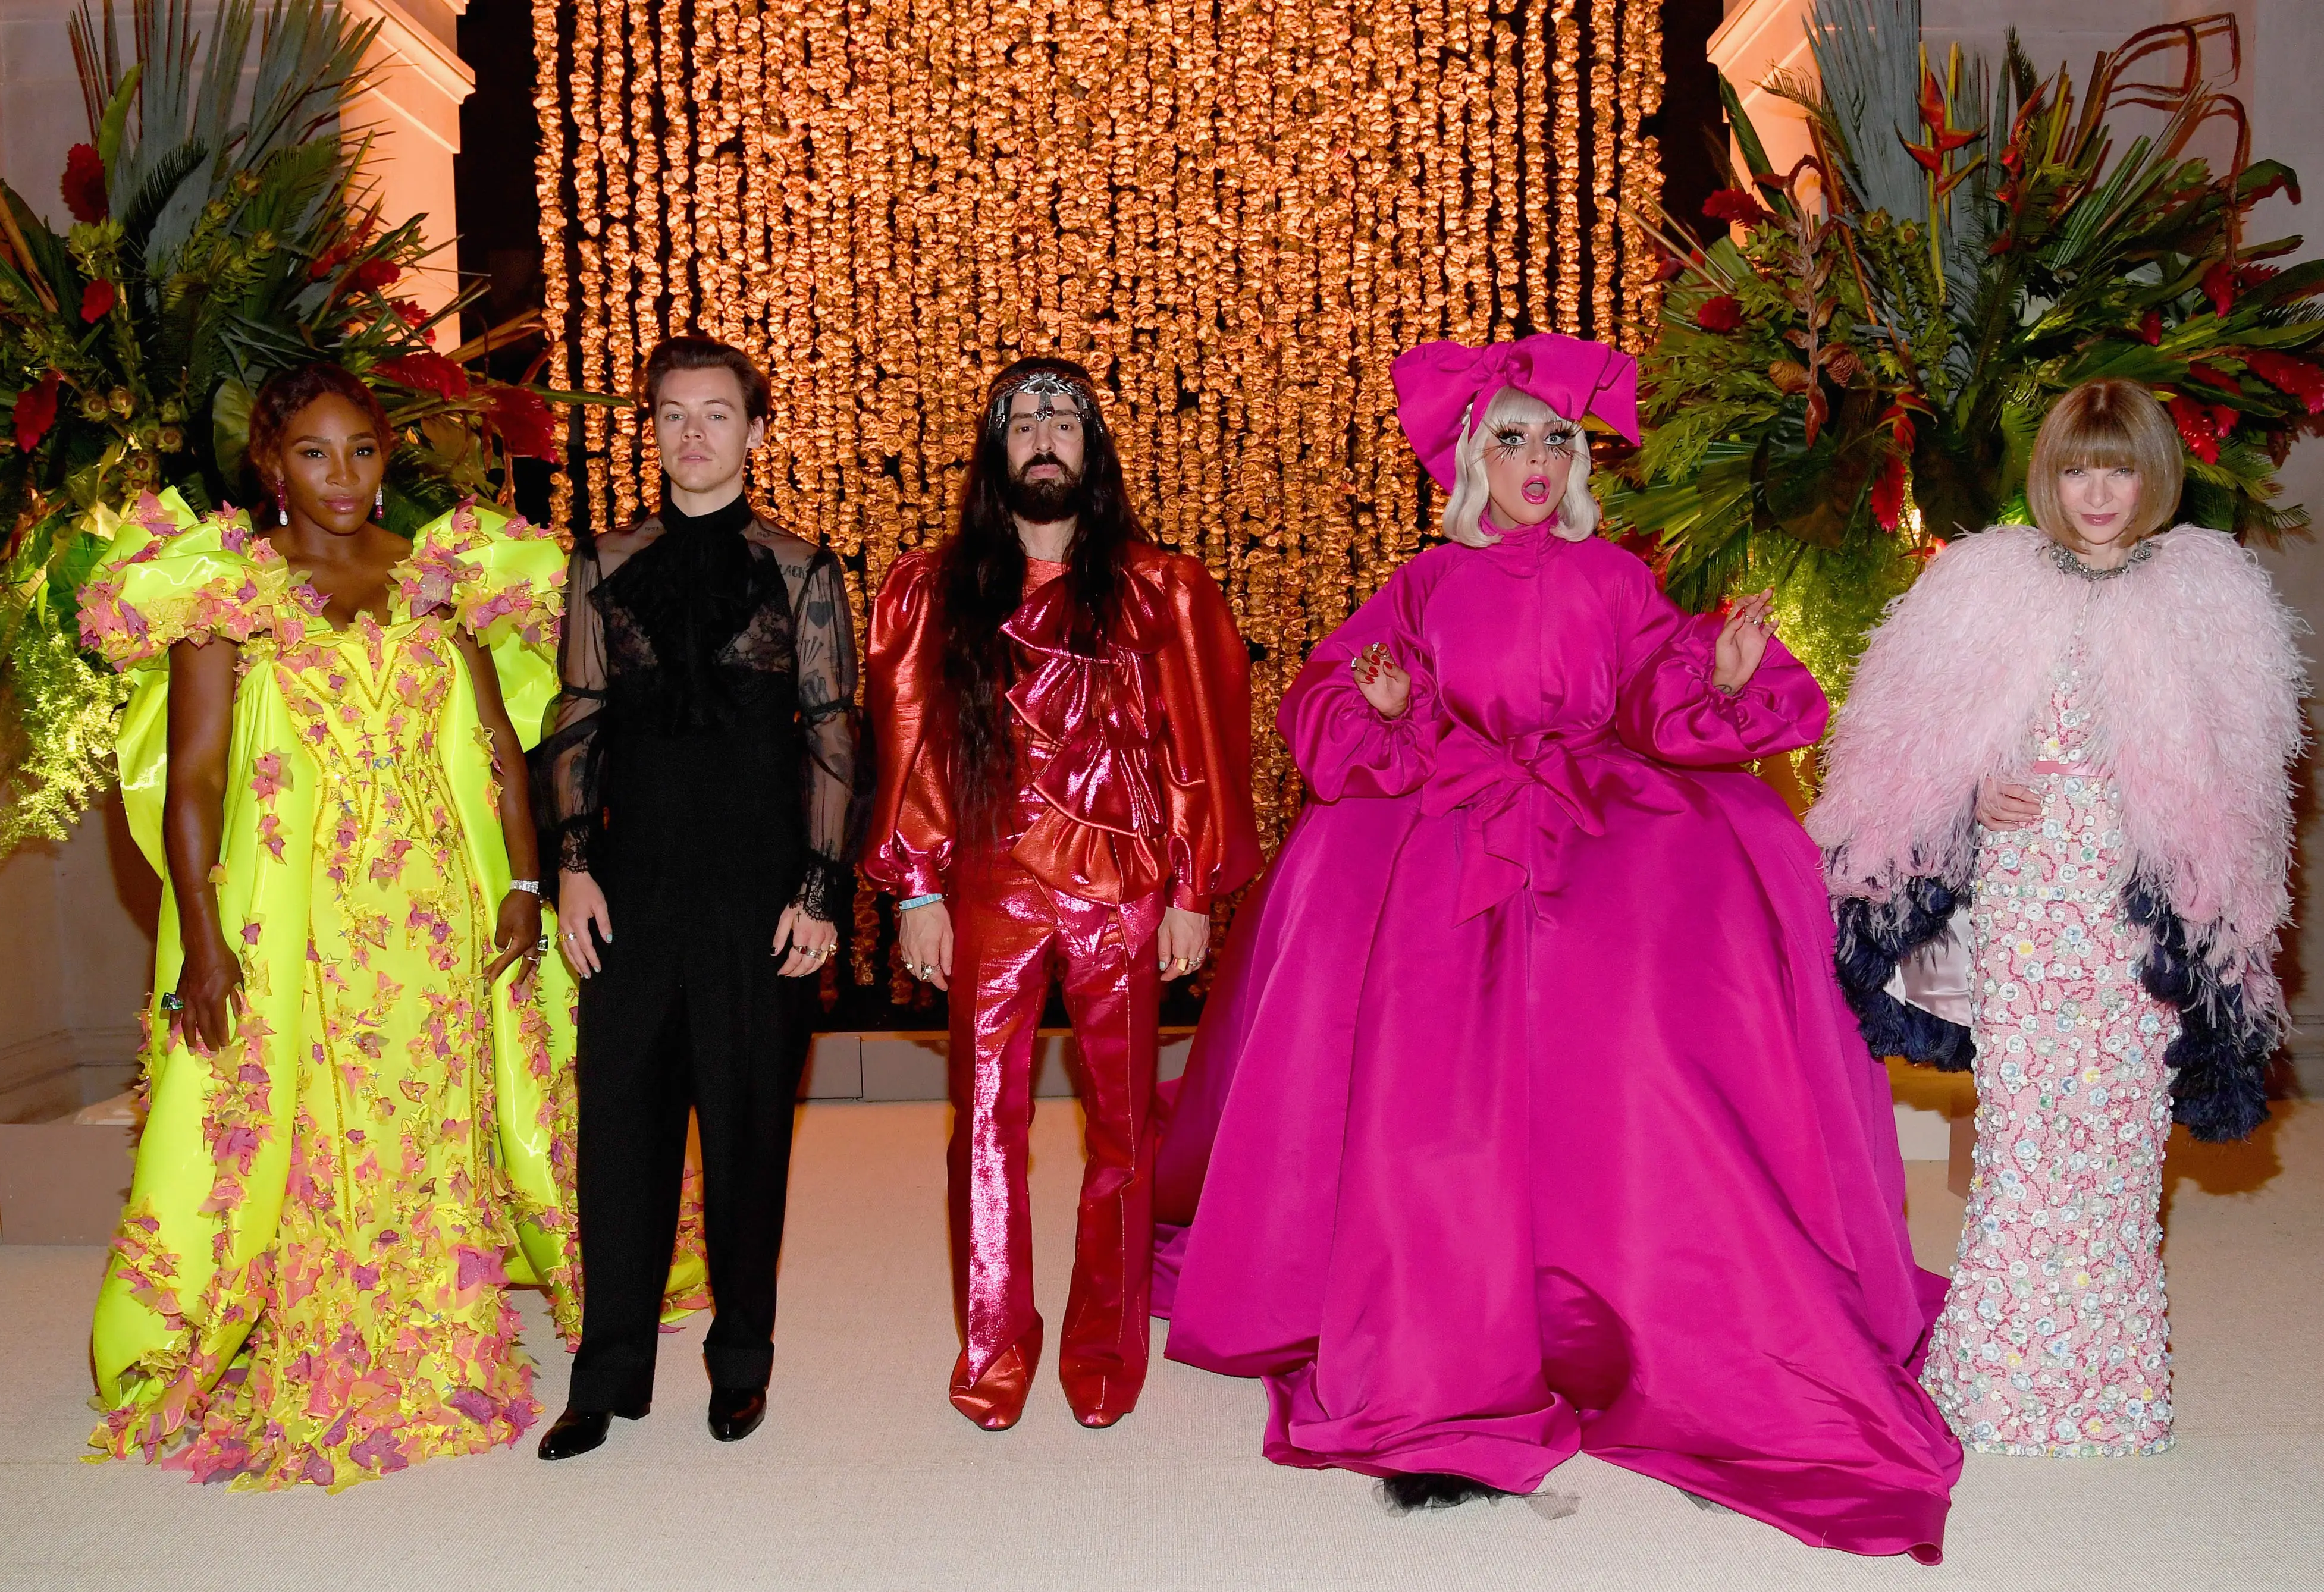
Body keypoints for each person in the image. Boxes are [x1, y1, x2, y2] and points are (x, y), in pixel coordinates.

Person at [1153, 337, 1963, 1559]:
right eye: (1513, 439)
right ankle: (1449, 1333)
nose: (1538, 461)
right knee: (1424, 1069)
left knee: (1660, 1009)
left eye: (1558, 441)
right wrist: (1389, 709)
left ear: (1582, 462)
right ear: (1473, 459)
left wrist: (1721, 671)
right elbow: (1335, 695)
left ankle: (1660, 1321)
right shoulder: (1423, 586)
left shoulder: (1617, 580)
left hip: (1601, 824)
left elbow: (1655, 690)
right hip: (1454, 831)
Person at [78, 364, 577, 1489]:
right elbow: (195, 778)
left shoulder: (440, 574)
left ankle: (448, 1335)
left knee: (437, 1113)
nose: (341, 475)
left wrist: (524, 882)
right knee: (316, 1123)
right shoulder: (228, 589)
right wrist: (202, 935)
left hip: (440, 903)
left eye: (360, 449)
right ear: (271, 462)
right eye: (314, 451)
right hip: (305, 914)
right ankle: (338, 1341)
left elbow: (501, 746)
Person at [1807, 376, 2302, 1458]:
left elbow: (2243, 782)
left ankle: (2111, 1392)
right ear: (2048, 473)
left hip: (2136, 914)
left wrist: (2183, 853)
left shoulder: (2209, 592)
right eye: (2077, 465)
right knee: (2027, 1136)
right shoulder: (1980, 585)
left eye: (2117, 465)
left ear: (2152, 474)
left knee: (2119, 1142)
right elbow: (1907, 753)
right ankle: (1995, 1382)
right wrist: (1968, 793)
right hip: (2028, 899)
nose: (2095, 490)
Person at [864, 356, 1261, 1431]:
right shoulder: (932, 588)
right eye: (1022, 416)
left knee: (1123, 1135)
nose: (1044, 432)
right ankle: (994, 1342)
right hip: (989, 886)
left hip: (1123, 892)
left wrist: (1191, 888)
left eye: (1064, 416)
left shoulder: (1162, 588)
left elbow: (1201, 748)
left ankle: (1104, 1341)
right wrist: (915, 894)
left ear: (1091, 449)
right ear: (996, 449)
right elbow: (915, 748)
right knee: (981, 1126)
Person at [535, 335, 860, 1460]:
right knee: (617, 1132)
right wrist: (571, 864)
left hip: (759, 897)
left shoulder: (803, 571)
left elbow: (831, 738)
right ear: (654, 429)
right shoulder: (601, 562)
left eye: (717, 415)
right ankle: (605, 1374)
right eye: (673, 415)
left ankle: (741, 1365)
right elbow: (575, 720)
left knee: (747, 1136)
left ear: (756, 432)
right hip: (631, 892)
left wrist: (820, 891)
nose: (694, 435)